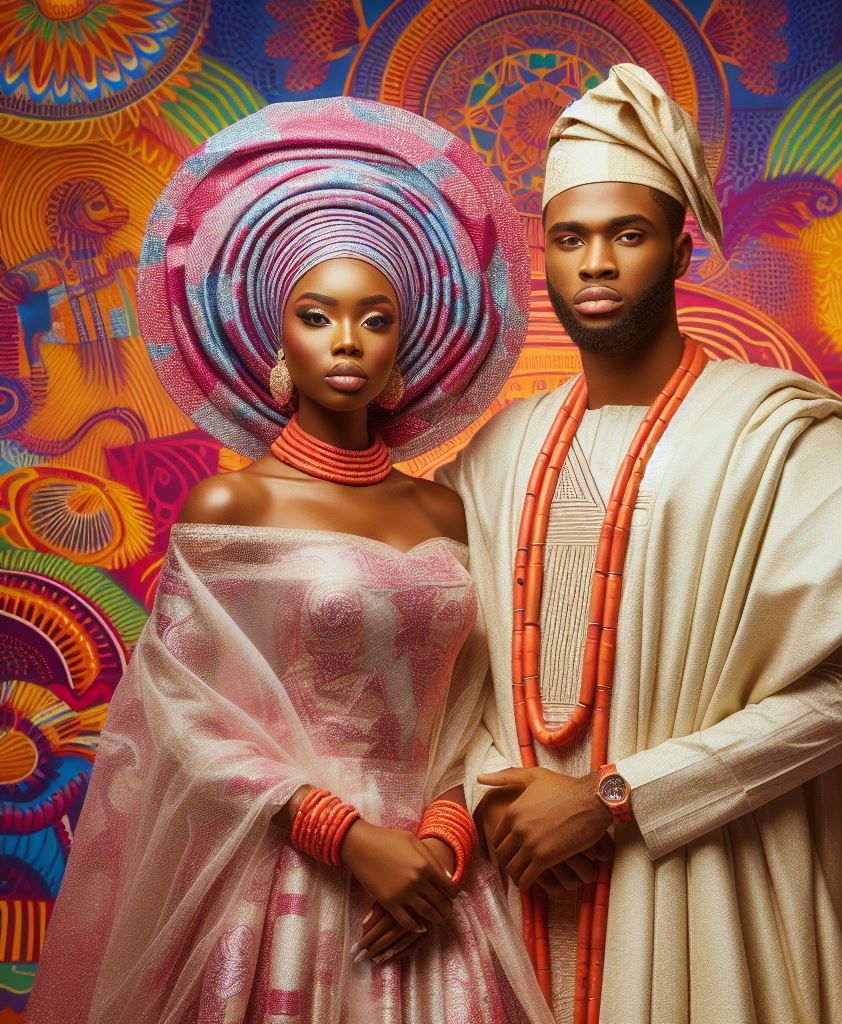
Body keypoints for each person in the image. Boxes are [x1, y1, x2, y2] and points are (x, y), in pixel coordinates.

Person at [438, 64, 842, 1024]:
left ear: (681, 248)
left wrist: (614, 798)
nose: (597, 265)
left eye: (628, 235)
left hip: (708, 887)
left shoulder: (778, 438)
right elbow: (451, 676)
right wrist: (495, 795)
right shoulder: (493, 455)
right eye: (571, 239)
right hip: (508, 891)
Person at [27, 97, 553, 1024]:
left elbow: (478, 709)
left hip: (435, 884)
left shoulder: (447, 512)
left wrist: (441, 839)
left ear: (407, 341)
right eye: (318, 315)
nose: (346, 340)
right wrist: (344, 836)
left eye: (373, 317)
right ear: (279, 337)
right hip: (285, 880)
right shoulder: (238, 504)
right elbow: (181, 712)